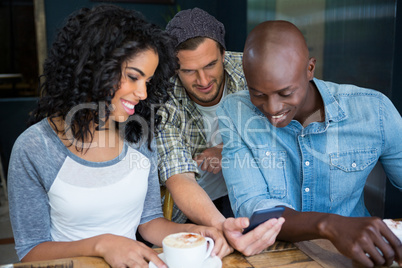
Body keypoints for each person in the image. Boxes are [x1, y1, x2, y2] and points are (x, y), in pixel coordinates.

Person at [7, 5, 228, 268]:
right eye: (133, 77)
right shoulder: (34, 148)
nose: (143, 93)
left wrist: (194, 232)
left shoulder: (138, 134)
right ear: (93, 69)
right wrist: (102, 245)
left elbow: (149, 222)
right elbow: (31, 251)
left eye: (147, 81)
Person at [217, 20, 402, 267]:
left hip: (362, 259)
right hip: (276, 259)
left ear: (310, 68)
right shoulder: (235, 112)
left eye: (285, 93)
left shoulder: (374, 111)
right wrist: (329, 225)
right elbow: (254, 210)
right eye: (258, 94)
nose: (272, 109)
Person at [156, 7, 284, 256]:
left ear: (224, 55)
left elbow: (283, 126)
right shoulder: (163, 98)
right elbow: (178, 176)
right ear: (174, 69)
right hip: (196, 205)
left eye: (210, 65)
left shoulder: (250, 70)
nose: (203, 80)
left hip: (257, 191)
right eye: (189, 71)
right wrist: (220, 225)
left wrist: (227, 149)